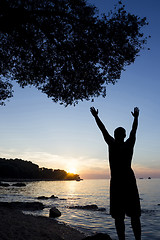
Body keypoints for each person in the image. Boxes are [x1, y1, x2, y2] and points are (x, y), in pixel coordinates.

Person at [90, 107, 141, 240]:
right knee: (129, 216)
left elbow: (103, 130)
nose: (119, 136)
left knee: (123, 217)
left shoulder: (113, 144)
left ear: (118, 135)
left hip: (120, 182)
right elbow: (133, 131)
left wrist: (96, 116)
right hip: (126, 182)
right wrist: (135, 118)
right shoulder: (126, 144)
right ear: (123, 135)